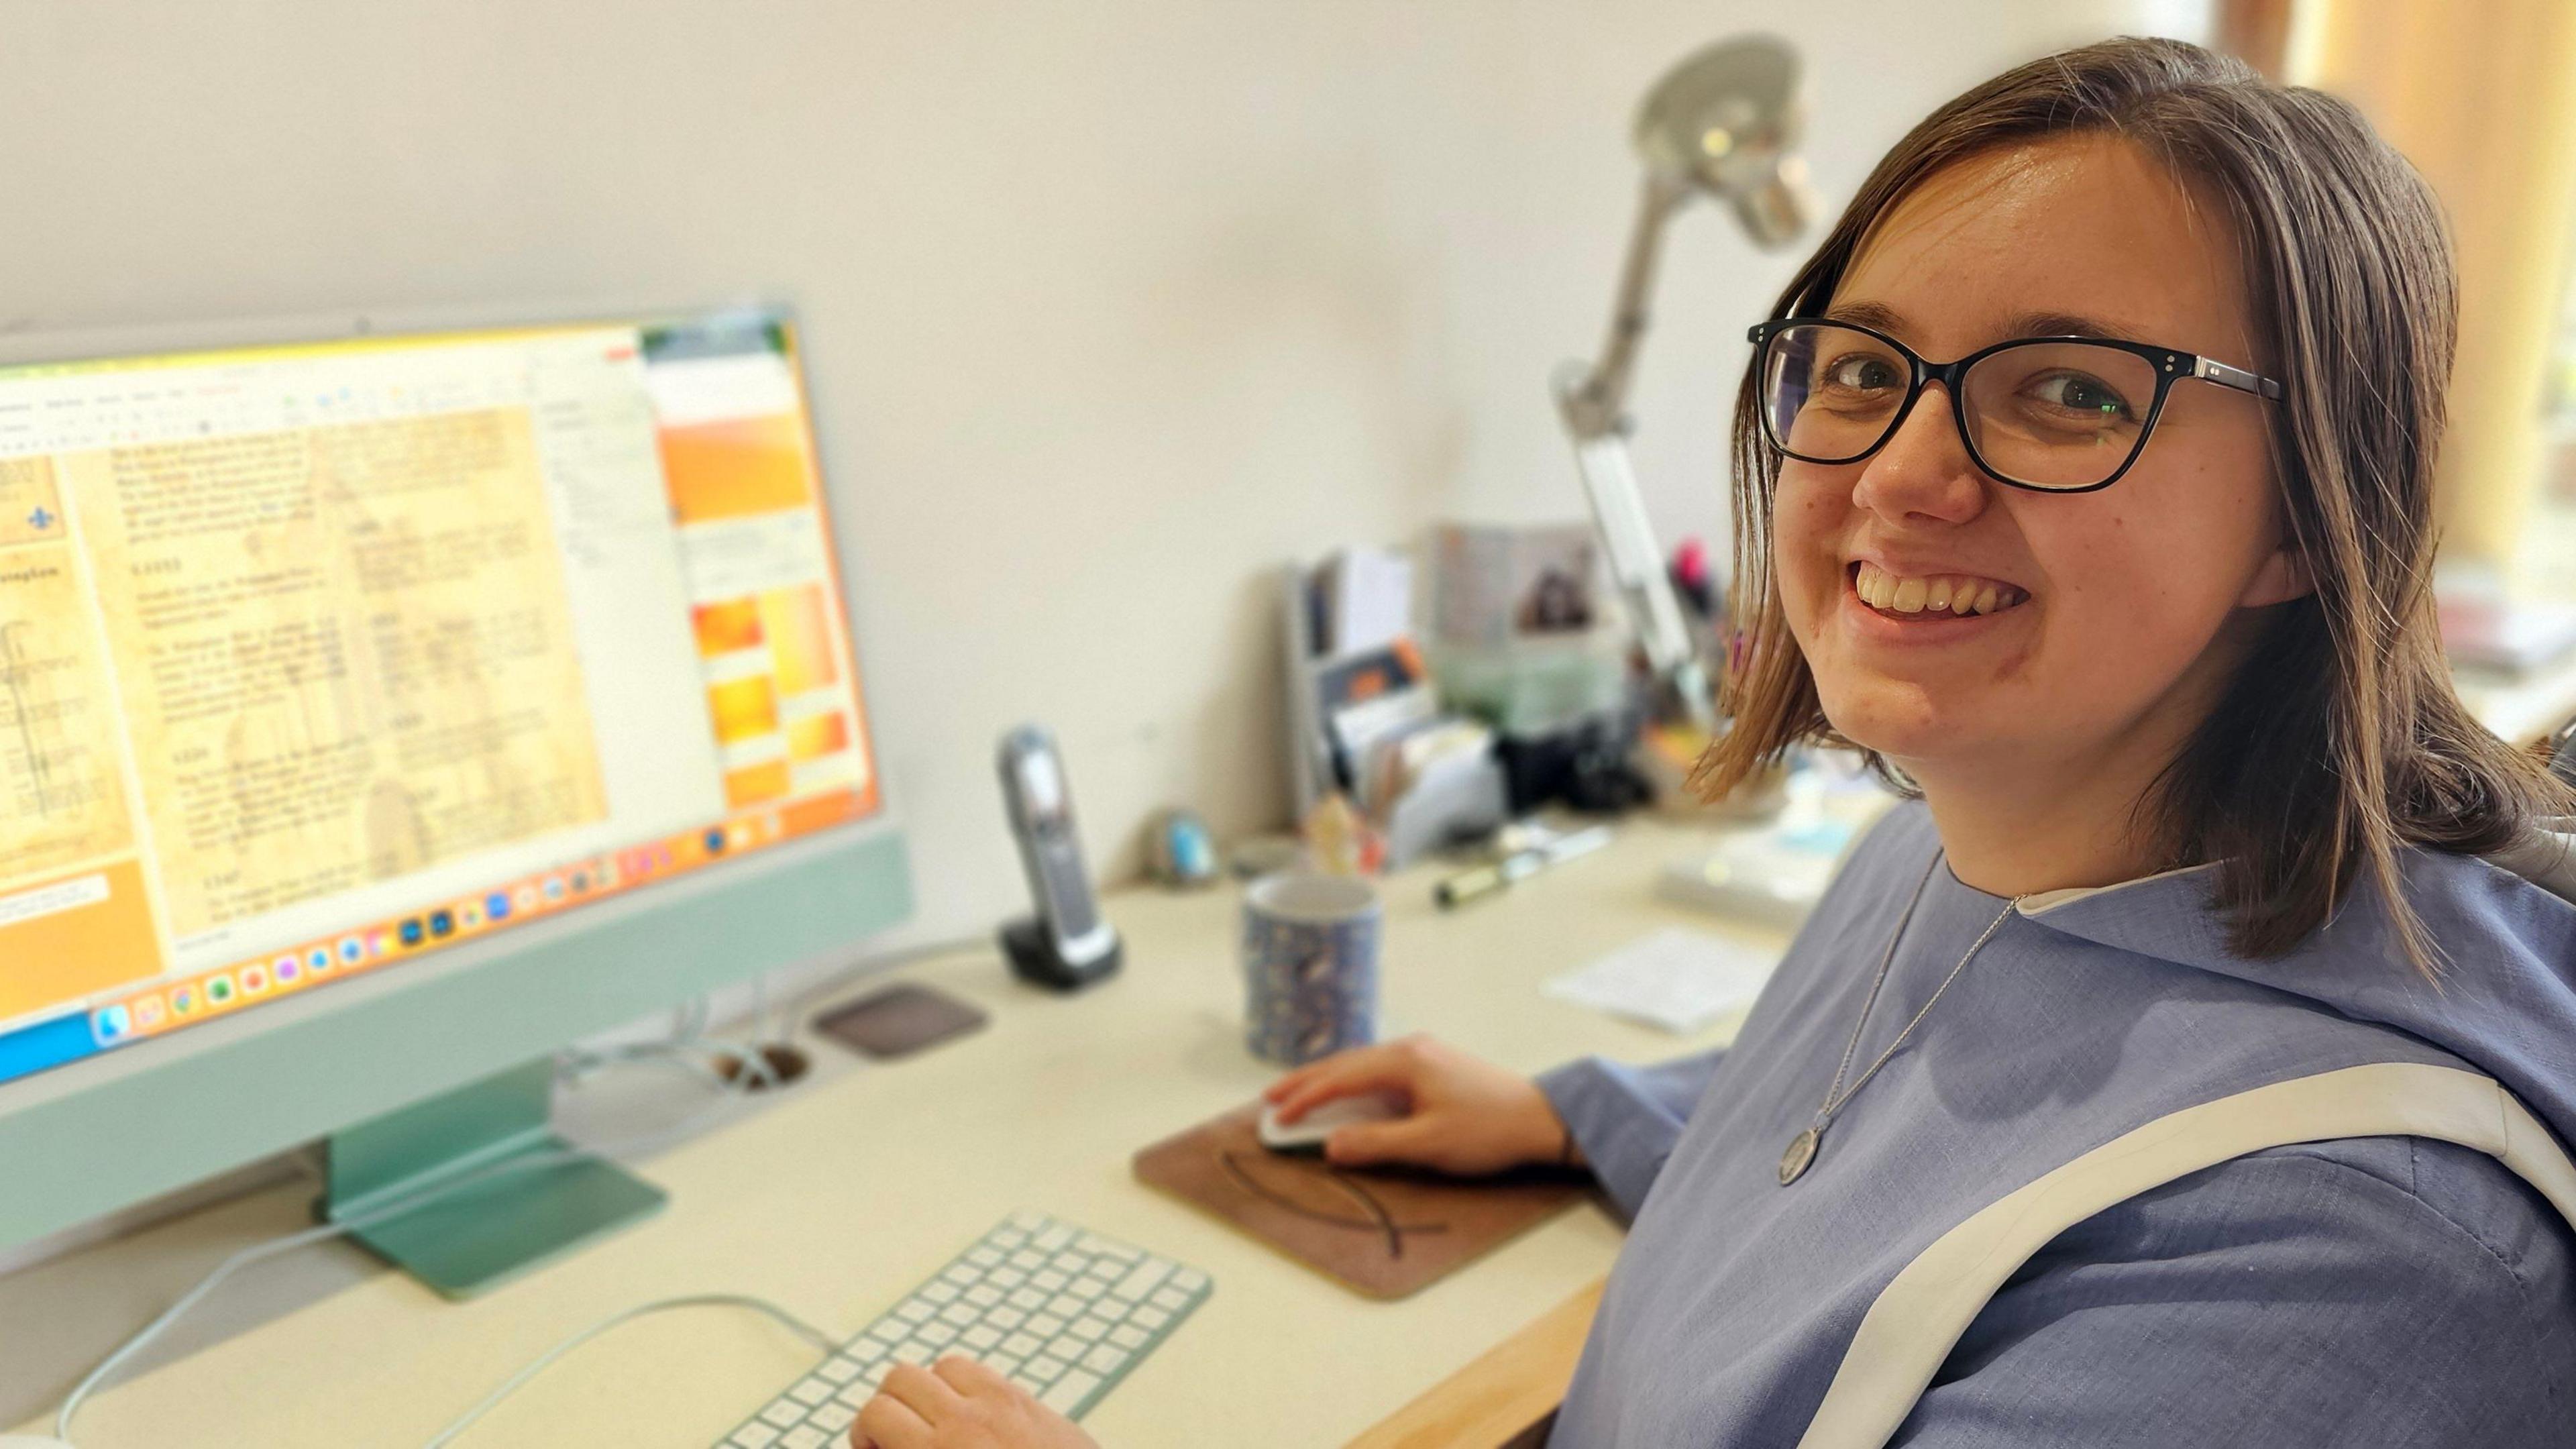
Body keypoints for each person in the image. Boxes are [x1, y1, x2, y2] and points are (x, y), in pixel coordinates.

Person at [850, 35, 2576, 1449]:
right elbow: (1936, 1131)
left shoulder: (2349, 1259)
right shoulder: (1978, 828)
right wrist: (1569, 1107)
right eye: (1859, 368)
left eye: (2070, 392)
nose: (1904, 472)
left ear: (2311, 515)